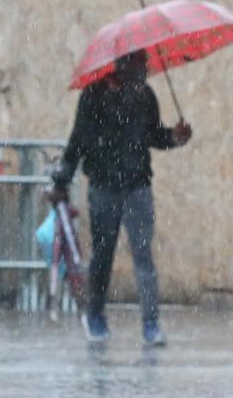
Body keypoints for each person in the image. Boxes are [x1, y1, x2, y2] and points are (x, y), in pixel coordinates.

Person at [51, 50, 192, 346]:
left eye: (144, 66)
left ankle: (151, 324)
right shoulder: (94, 96)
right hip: (103, 187)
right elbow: (78, 139)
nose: (143, 72)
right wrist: (62, 180)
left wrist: (176, 137)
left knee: (143, 255)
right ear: (120, 67)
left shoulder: (145, 97)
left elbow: (153, 136)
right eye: (138, 66)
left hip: (138, 186)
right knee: (103, 254)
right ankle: (96, 315)